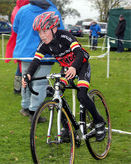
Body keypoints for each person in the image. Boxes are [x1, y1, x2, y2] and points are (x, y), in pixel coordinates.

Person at [23, 12, 106, 141]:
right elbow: (36, 61)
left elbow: (79, 53)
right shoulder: (44, 45)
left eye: (45, 31)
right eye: (39, 32)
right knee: (58, 94)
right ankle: (67, 128)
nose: (42, 35)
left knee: (82, 95)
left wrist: (74, 67)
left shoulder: (65, 36)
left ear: (54, 28)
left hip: (81, 65)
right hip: (67, 69)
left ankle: (99, 122)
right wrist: (28, 74)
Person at [13, 0, 64, 122]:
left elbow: (15, 28)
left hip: (25, 52)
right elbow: (59, 31)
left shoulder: (22, 10)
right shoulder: (54, 12)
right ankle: (34, 112)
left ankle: (26, 107)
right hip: (45, 54)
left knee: (27, 79)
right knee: (40, 84)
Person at [5, 0, 30, 94]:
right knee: (23, 66)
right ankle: (21, 87)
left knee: (21, 65)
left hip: (19, 41)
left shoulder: (17, 9)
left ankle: (17, 87)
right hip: (24, 41)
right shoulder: (24, 9)